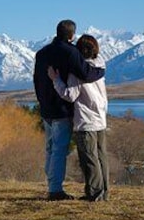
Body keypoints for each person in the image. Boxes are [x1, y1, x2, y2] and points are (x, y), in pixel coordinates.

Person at [33, 20, 105, 201]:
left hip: (46, 109)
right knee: (59, 149)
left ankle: (52, 185)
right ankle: (55, 190)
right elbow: (86, 73)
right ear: (72, 35)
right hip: (62, 109)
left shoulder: (41, 53)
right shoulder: (71, 52)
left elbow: (37, 81)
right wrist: (101, 71)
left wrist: (42, 101)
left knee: (50, 148)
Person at [47, 34, 109, 201]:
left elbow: (70, 95)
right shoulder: (98, 68)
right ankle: (103, 192)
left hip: (85, 121)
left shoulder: (78, 72)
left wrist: (56, 80)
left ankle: (95, 194)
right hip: (100, 119)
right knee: (101, 156)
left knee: (89, 159)